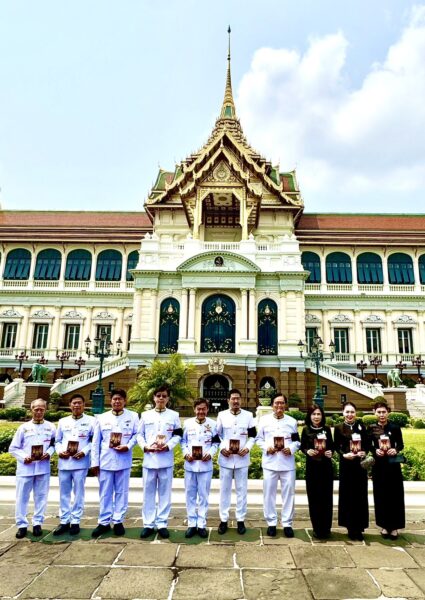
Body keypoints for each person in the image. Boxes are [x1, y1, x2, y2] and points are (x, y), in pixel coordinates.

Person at [91, 388, 139, 538]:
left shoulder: (133, 416)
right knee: (105, 493)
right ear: (110, 401)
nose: (117, 402)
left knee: (121, 492)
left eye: (120, 399)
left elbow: (136, 435)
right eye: (114, 399)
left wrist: (128, 446)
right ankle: (104, 522)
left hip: (123, 459)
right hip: (105, 460)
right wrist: (94, 462)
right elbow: (95, 442)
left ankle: (118, 520)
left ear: (125, 401)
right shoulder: (101, 418)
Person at [137, 385, 182, 539]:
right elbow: (139, 435)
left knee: (165, 493)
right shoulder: (145, 415)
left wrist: (168, 446)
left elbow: (178, 435)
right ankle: (148, 524)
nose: (161, 398)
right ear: (154, 398)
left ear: (168, 398)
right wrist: (145, 446)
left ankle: (162, 523)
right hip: (149, 459)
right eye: (158, 396)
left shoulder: (174, 415)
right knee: (148, 493)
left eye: (164, 396)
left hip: (165, 459)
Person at [9, 398, 56, 539]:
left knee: (41, 496)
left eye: (42, 409)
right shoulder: (23, 428)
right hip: (26, 468)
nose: (39, 412)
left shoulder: (51, 427)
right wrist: (24, 457)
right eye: (36, 409)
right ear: (31, 410)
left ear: (45, 410)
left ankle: (37, 523)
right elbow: (13, 448)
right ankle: (21, 525)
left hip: (42, 467)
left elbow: (54, 444)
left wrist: (49, 453)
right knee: (22, 497)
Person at [256, 393, 300, 537]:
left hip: (287, 463)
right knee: (269, 494)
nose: (279, 405)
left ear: (285, 405)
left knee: (289, 494)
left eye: (282, 403)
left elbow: (297, 441)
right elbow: (258, 439)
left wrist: (291, 448)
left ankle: (287, 523)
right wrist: (266, 448)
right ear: (272, 405)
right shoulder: (264, 420)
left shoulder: (292, 421)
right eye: (276, 403)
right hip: (270, 462)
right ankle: (271, 522)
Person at [53, 393, 95, 536]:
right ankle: (64, 520)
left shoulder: (91, 421)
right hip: (65, 462)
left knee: (78, 493)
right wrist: (60, 451)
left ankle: (76, 520)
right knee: (64, 493)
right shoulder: (63, 421)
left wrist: (84, 452)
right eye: (74, 403)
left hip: (80, 462)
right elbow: (57, 441)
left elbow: (93, 442)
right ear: (70, 405)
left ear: (84, 405)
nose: (77, 405)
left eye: (79, 403)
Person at [216, 388, 256, 535]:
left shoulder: (248, 416)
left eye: (238, 398)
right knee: (224, 490)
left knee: (242, 490)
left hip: (242, 458)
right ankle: (223, 520)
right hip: (226, 459)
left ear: (241, 400)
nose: (235, 401)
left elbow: (253, 436)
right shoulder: (222, 415)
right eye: (233, 398)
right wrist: (222, 448)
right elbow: (217, 435)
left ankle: (240, 520)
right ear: (228, 400)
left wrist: (247, 448)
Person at [181, 398, 220, 538]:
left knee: (204, 496)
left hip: (205, 466)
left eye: (203, 409)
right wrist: (186, 453)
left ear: (207, 409)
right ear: (194, 409)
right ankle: (192, 523)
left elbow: (216, 443)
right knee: (190, 495)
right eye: (198, 409)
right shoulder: (187, 423)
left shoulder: (213, 425)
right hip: (190, 465)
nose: (201, 412)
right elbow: (183, 441)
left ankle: (202, 523)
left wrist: (210, 453)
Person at [368, 400, 405, 540]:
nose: (381, 414)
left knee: (395, 495)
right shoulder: (371, 428)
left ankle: (394, 527)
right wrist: (374, 450)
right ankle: (384, 525)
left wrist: (395, 449)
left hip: (392, 465)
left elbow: (400, 444)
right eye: (379, 412)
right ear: (374, 413)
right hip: (379, 465)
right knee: (381, 495)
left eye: (384, 412)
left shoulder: (394, 427)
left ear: (388, 412)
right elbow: (368, 445)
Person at [334, 400, 369, 541]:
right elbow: (336, 446)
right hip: (347, 465)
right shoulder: (338, 428)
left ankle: (359, 527)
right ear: (343, 413)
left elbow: (367, 444)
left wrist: (364, 452)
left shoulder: (361, 426)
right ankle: (350, 526)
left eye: (352, 412)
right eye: (347, 412)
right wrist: (344, 454)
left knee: (360, 495)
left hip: (359, 465)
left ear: (356, 413)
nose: (350, 414)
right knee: (348, 495)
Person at [300, 403, 334, 539]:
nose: (316, 416)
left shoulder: (326, 429)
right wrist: (307, 451)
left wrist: (330, 452)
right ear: (310, 416)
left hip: (325, 467)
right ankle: (317, 528)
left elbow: (331, 446)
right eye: (313, 414)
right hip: (312, 468)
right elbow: (302, 446)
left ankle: (326, 528)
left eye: (318, 414)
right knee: (314, 497)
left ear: (322, 416)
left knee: (326, 497)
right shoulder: (306, 430)